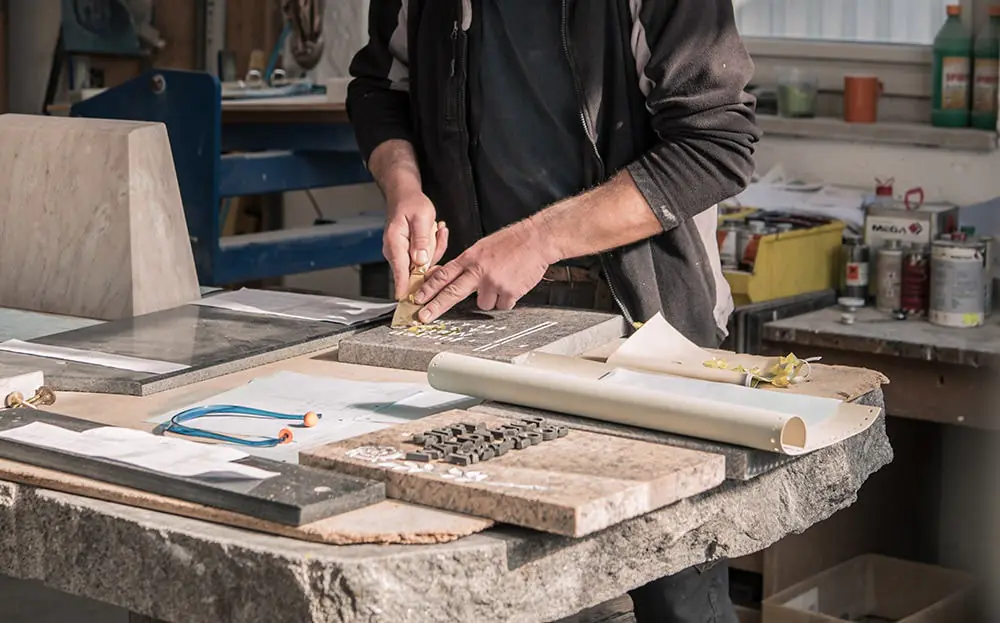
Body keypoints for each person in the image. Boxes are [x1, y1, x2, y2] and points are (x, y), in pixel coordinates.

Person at [347, 1, 760, 621]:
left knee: (675, 589)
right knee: (498, 579)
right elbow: (379, 90)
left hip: (643, 329)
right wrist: (406, 186)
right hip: (480, 327)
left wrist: (540, 239)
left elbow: (716, 145)